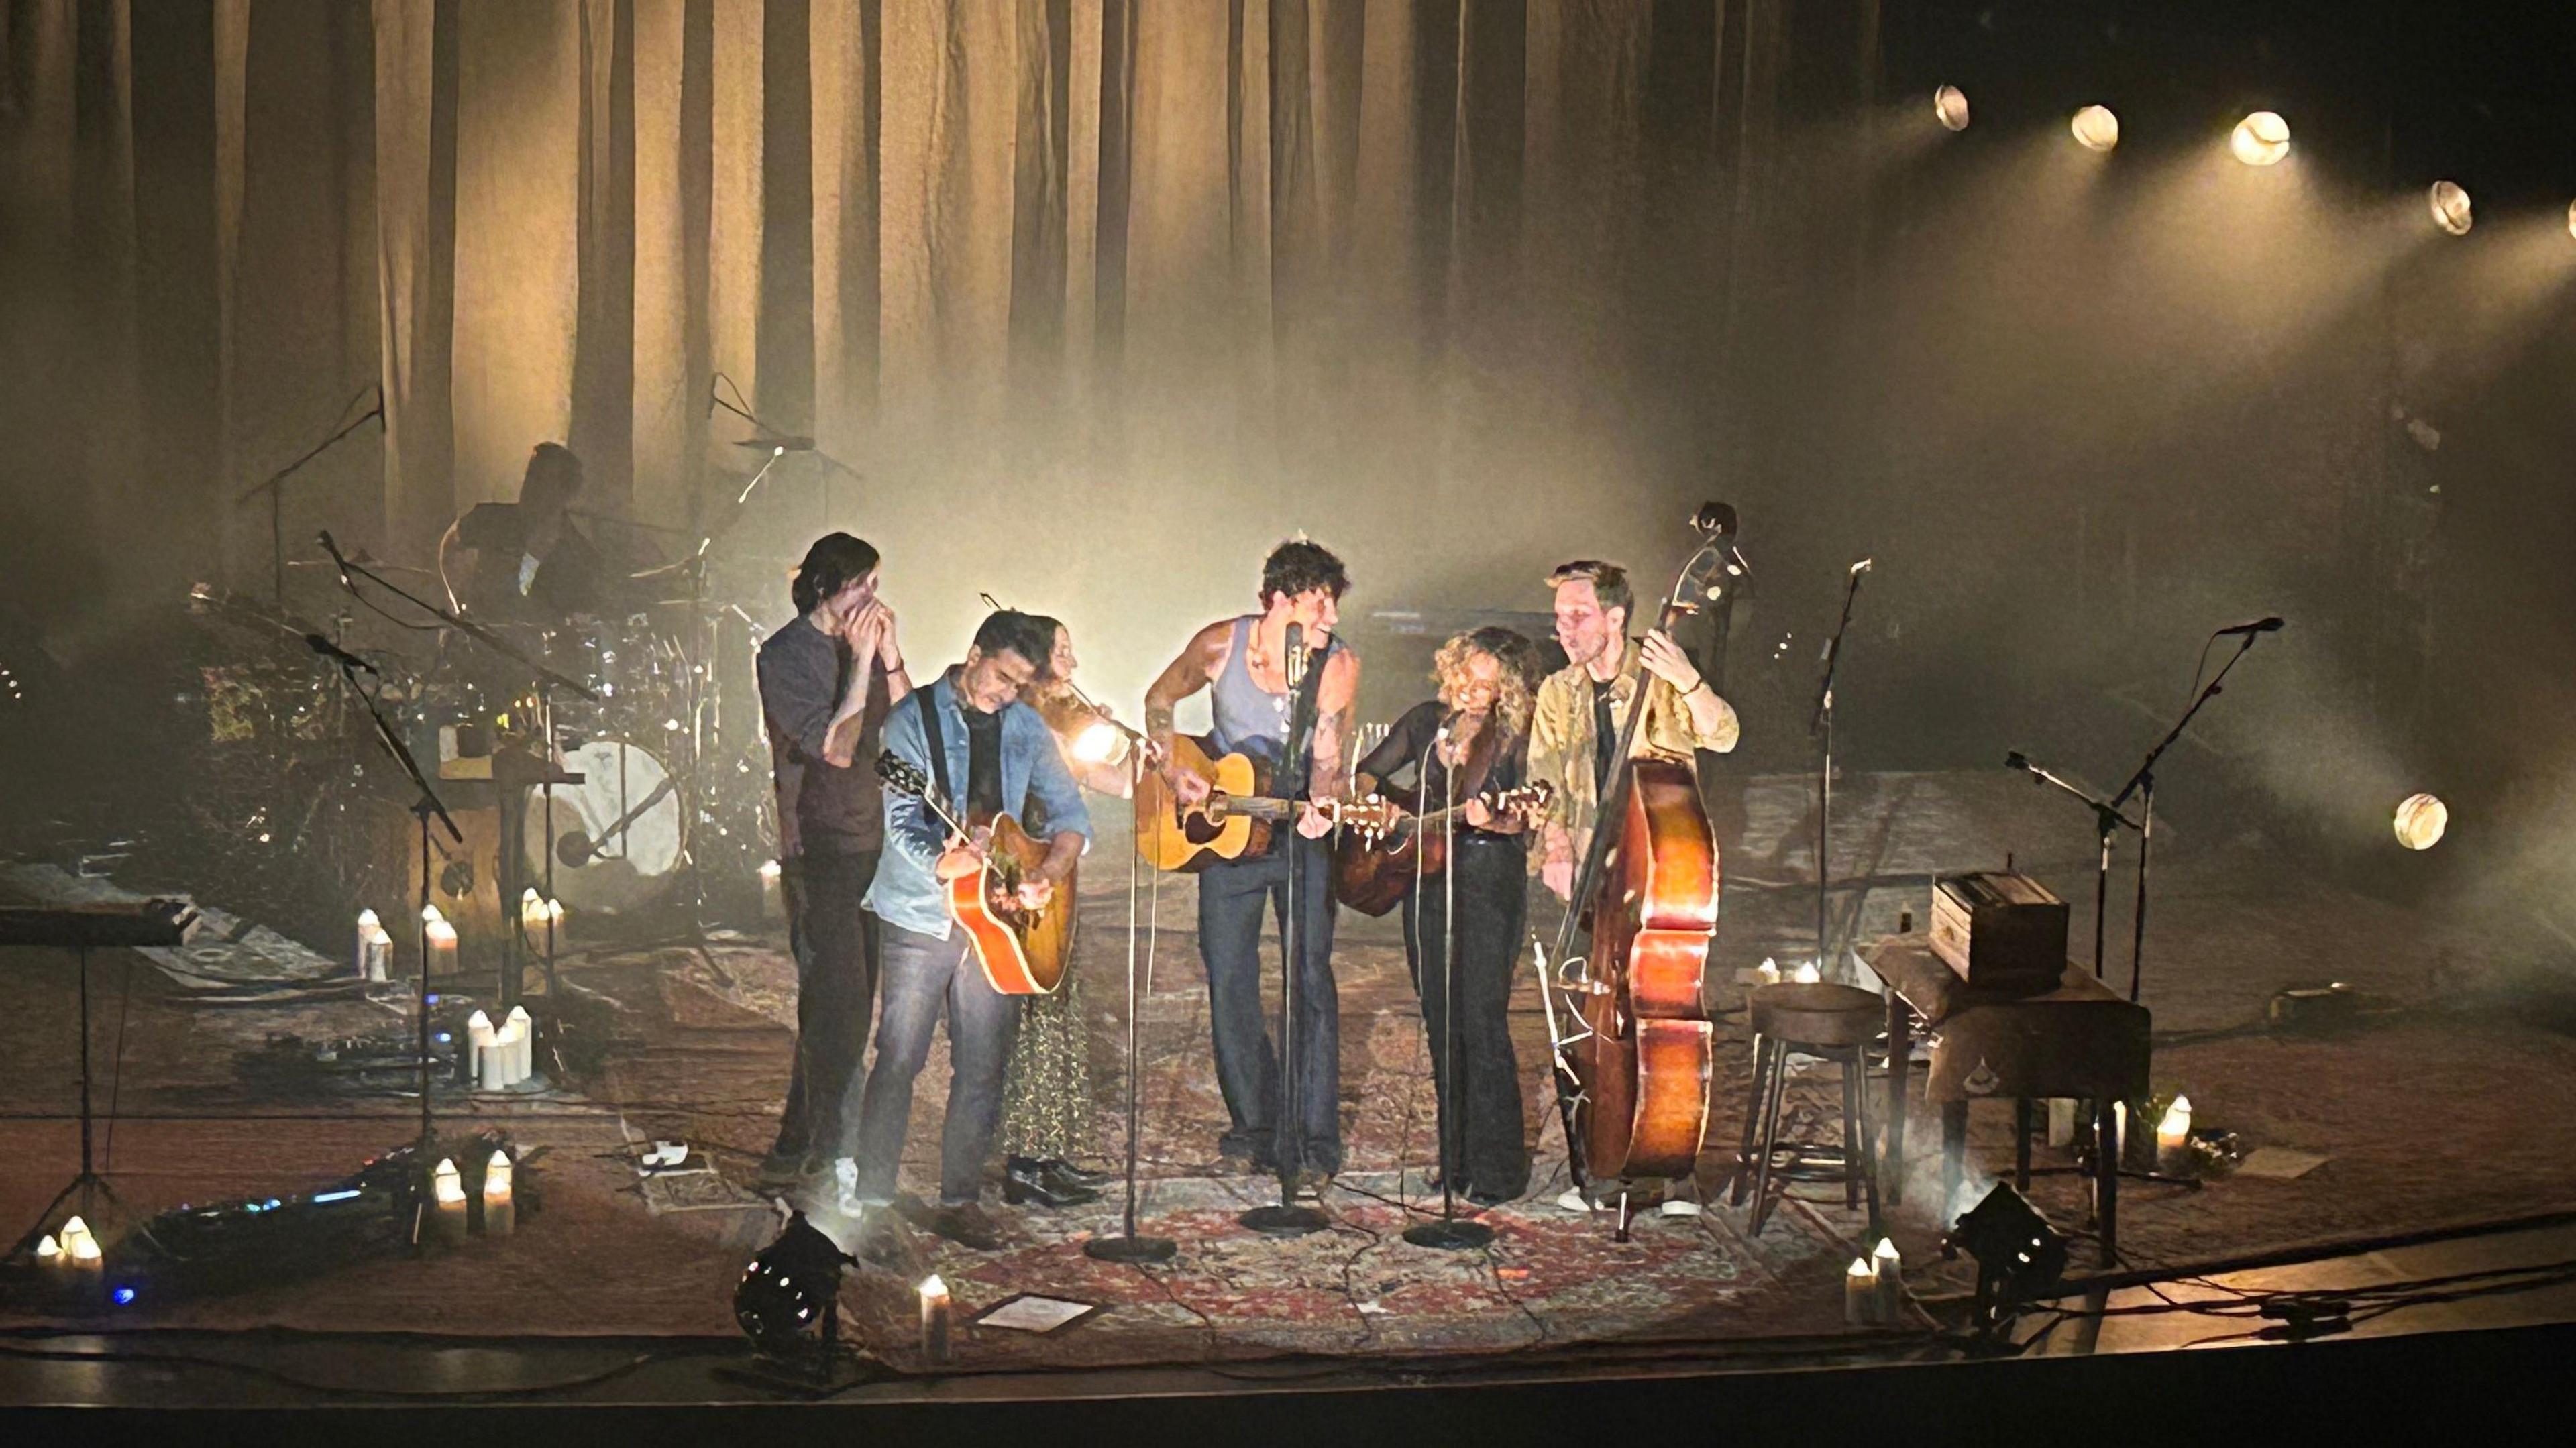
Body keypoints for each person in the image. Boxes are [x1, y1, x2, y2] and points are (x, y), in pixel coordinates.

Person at [846, 610, 1090, 1251]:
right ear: (974, 651)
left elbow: (1069, 816)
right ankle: (872, 1200)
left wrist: (1048, 872)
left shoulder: (1027, 726)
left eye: (1019, 685)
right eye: (1001, 677)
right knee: (900, 1057)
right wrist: (944, 858)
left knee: (983, 1065)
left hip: (998, 923)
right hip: (922, 915)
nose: (1005, 693)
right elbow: (902, 825)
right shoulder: (911, 722)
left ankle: (958, 1200)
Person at [1142, 539, 1360, 1190]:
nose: (1327, 615)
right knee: (1229, 978)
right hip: (1228, 833)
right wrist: (1175, 765)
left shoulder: (1338, 662)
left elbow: (1331, 758)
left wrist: (1325, 793)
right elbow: (1158, 700)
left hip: (1298, 831)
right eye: (1314, 601)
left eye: (1332, 601)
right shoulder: (1219, 644)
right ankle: (1254, 1124)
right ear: (1275, 601)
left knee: (1309, 979)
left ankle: (1314, 1139)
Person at [1354, 626, 1542, 1205]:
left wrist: (1499, 820)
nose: (1476, 692)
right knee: (1439, 1020)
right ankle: (1454, 1156)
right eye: (1469, 677)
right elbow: (1366, 770)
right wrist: (1377, 801)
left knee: (1482, 1021)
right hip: (1428, 880)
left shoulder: (1513, 736)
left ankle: (1500, 1168)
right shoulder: (1424, 720)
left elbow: (1527, 815)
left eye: (1491, 684)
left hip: (1489, 882)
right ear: (1452, 669)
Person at [753, 533, 908, 1191]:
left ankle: (799, 1141)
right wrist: (862, 662)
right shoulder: (785, 655)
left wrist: (892, 660)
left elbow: (906, 729)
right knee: (840, 1004)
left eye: (876, 584)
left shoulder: (866, 649)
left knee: (842, 1003)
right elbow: (837, 747)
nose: (870, 599)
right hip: (817, 848)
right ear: (824, 587)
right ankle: (832, 1155)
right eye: (859, 587)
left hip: (875, 840)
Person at [993, 618, 1122, 1208]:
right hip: (1028, 868)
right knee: (1034, 1017)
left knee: (1060, 1013)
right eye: (1062, 653)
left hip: (1061, 868)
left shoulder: (1065, 718)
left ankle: (1051, 1152)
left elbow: (1112, 778)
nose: (1072, 663)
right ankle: (1025, 1161)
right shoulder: (1016, 719)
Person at [1527, 559, 1741, 903]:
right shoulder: (1557, 691)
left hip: (1661, 858)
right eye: (1560, 617)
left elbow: (1724, 737)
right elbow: (1544, 777)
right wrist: (1556, 845)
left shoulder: (1659, 675)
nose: (1565, 630)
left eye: (1579, 616)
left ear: (1615, 619)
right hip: (1588, 865)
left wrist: (1689, 682)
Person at [442, 443, 612, 623]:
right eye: (530, 476)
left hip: (526, 648)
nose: (530, 486)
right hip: (474, 641)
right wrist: (454, 598)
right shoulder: (490, 519)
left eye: (542, 481)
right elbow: (452, 541)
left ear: (565, 493)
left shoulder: (580, 556)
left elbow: (579, 615)